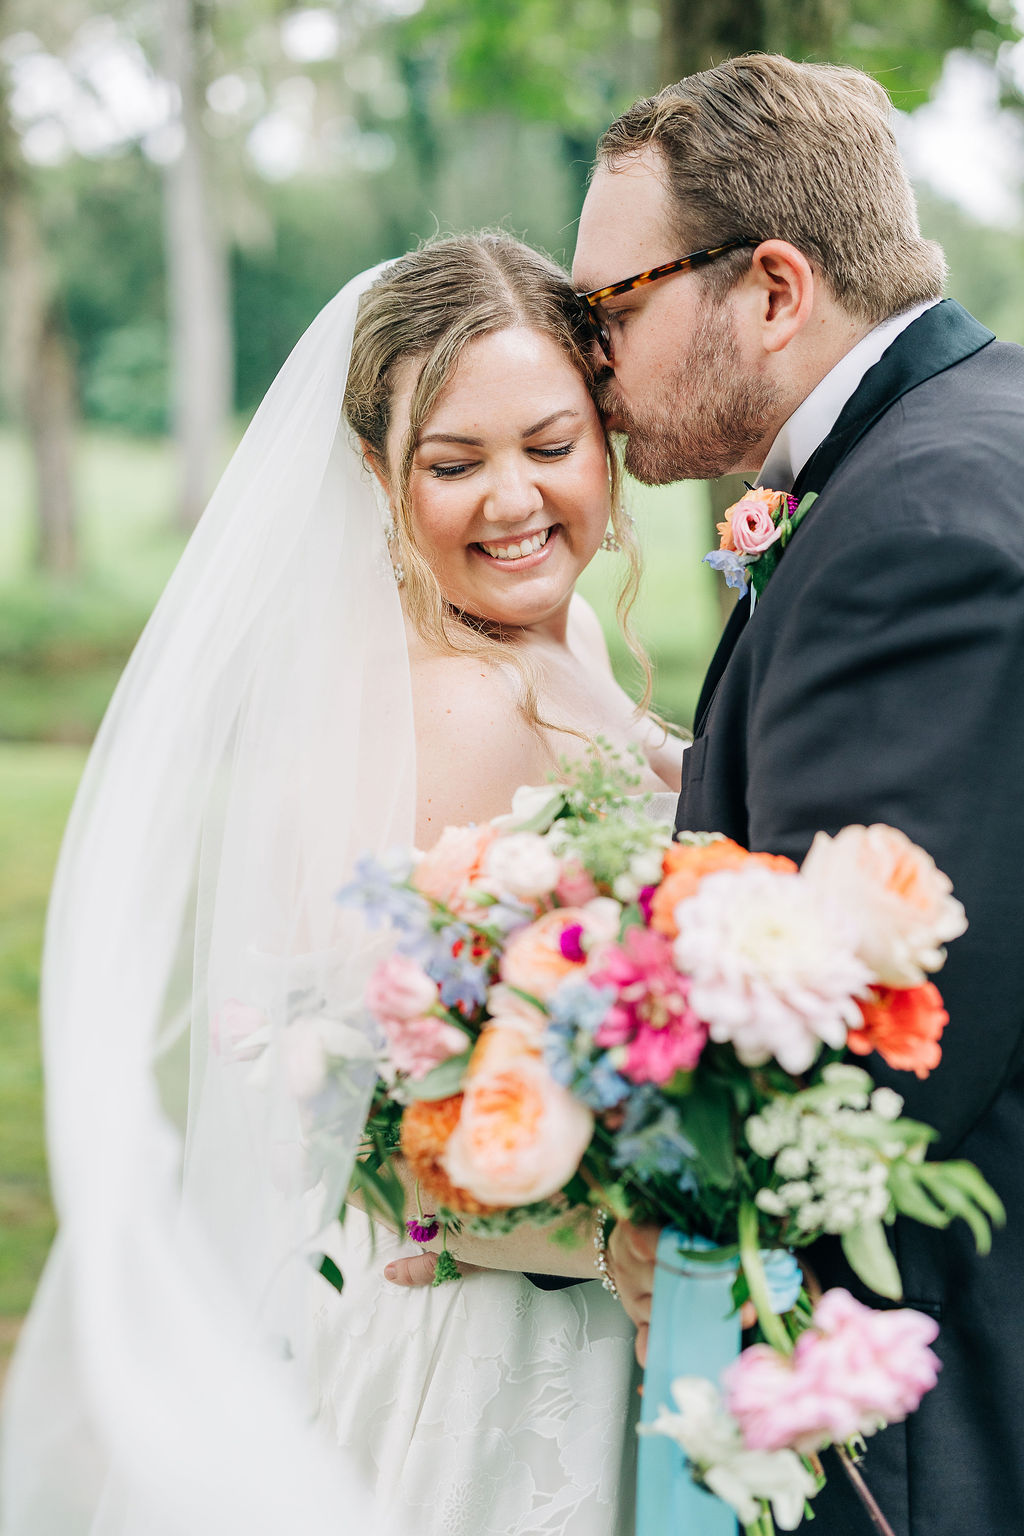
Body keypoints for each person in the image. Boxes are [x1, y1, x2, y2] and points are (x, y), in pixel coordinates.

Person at [0, 233, 679, 1536]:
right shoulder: (451, 708)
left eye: (550, 445)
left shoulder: (569, 632)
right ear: (378, 471)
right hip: (509, 1353)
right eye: (454, 462)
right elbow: (380, 1121)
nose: (513, 501)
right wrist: (616, 1244)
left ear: (608, 429)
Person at [571, 53, 1024, 1536]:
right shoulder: (954, 441)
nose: (590, 360)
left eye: (612, 307)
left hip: (925, 1409)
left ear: (772, 289)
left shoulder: (913, 530)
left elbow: (882, 1051)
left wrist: (650, 1219)